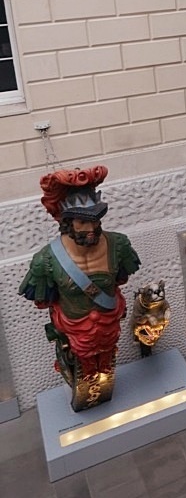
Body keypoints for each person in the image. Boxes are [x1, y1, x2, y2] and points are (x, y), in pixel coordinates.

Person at [18, 166, 140, 411]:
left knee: (107, 368)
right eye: (83, 221)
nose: (91, 228)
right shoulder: (46, 260)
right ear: (67, 222)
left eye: (95, 220)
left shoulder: (118, 245)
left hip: (109, 326)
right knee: (83, 379)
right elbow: (44, 300)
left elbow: (121, 279)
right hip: (74, 331)